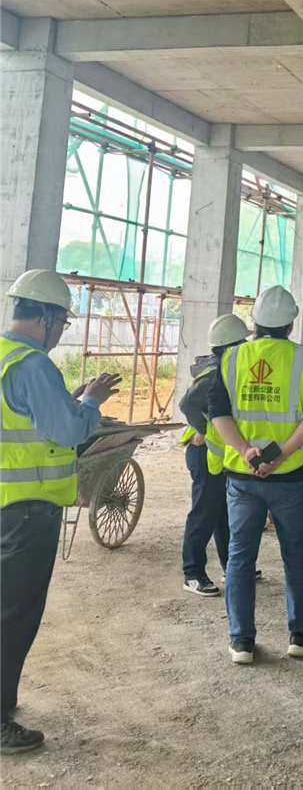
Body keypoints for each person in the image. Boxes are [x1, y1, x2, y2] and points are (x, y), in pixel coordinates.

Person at [0, 270, 121, 755]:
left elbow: (23, 418)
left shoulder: (5, 356)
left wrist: (67, 402)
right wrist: (90, 402)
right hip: (28, 509)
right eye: (63, 323)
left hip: (4, 501)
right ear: (48, 317)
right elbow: (69, 432)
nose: (60, 333)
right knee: (14, 613)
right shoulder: (33, 364)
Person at [207, 285, 303, 664]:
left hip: (243, 478)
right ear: (291, 325)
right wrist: (280, 455)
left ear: (254, 322)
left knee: (240, 558)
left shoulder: (231, 357)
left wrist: (246, 451)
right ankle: (302, 635)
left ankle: (241, 641)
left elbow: (216, 411)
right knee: (297, 555)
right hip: (290, 476)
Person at [178, 312, 265, 596]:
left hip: (219, 455)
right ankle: (192, 573)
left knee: (224, 513)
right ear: (233, 344)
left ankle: (233, 566)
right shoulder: (215, 372)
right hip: (204, 454)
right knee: (204, 512)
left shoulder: (229, 365)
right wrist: (202, 428)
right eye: (243, 342)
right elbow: (188, 404)